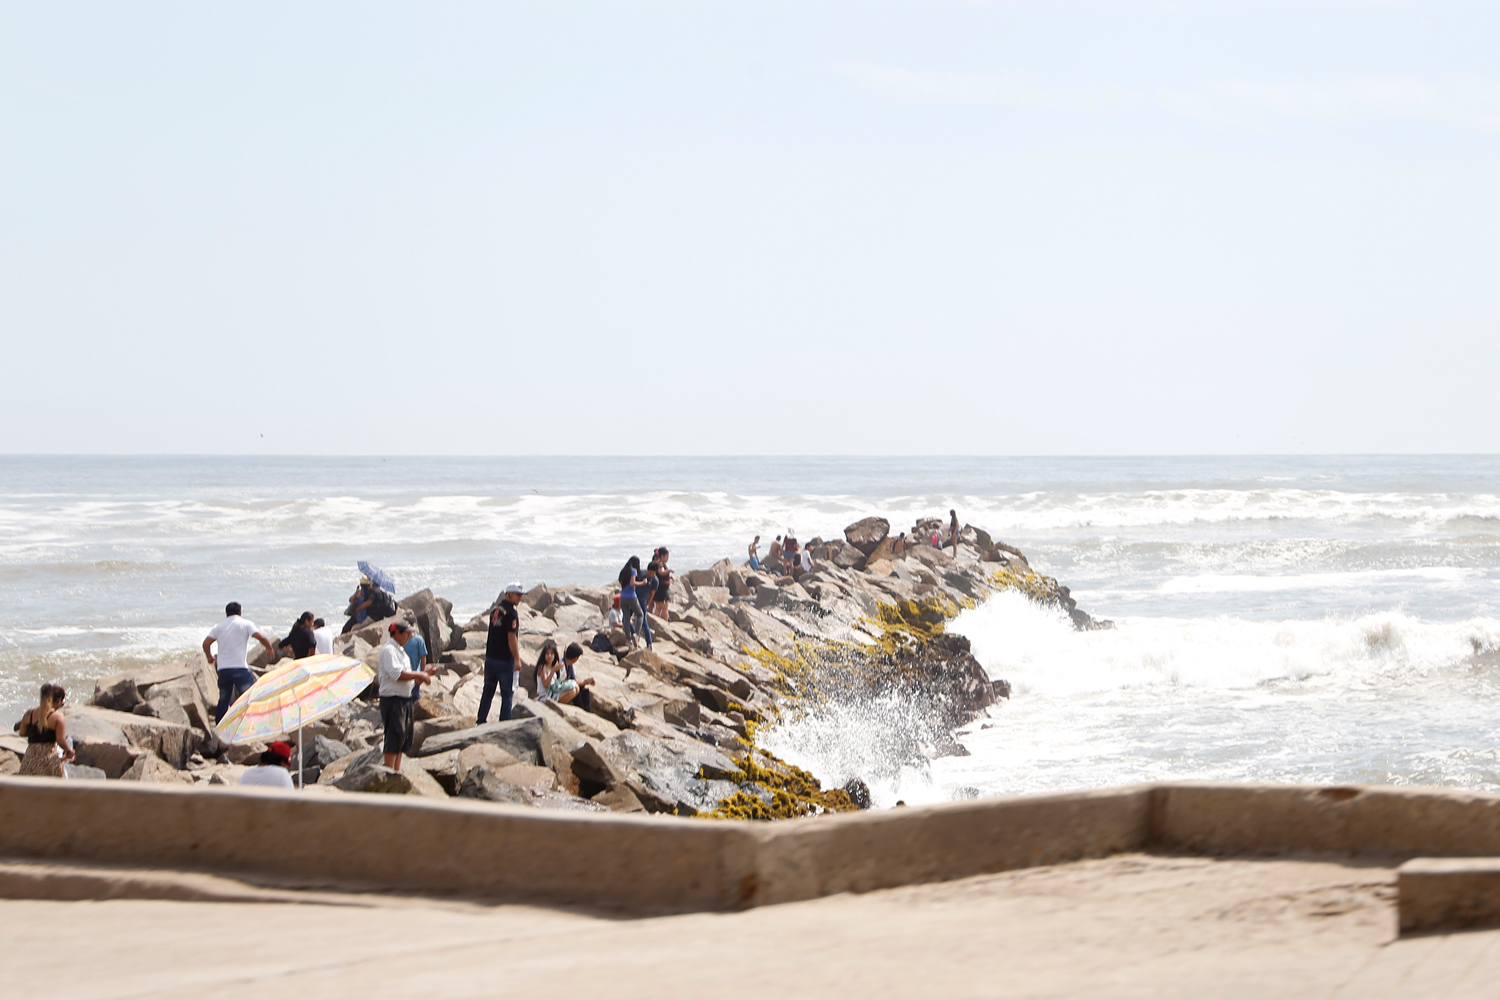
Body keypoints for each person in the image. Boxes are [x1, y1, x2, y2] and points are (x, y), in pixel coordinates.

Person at [204, 602, 275, 722]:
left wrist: (209, 657)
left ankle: (219, 726)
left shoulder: (219, 627)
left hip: (223, 669)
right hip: (239, 669)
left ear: (226, 613)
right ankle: (250, 723)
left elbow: (206, 643)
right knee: (248, 697)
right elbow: (261, 637)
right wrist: (269, 647)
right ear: (240, 612)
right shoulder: (245, 624)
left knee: (224, 698)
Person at [378, 621, 435, 770]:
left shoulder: (401, 651)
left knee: (403, 737)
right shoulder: (389, 650)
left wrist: (424, 674)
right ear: (397, 633)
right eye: (407, 633)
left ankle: (396, 769)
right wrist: (419, 674)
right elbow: (397, 674)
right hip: (393, 699)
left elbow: (409, 678)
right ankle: (390, 770)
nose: (409, 636)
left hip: (404, 698)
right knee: (394, 735)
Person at [477, 582, 523, 723]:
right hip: (504, 660)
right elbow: (511, 637)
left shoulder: (495, 610)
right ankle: (504, 724)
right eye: (518, 595)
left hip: (491, 657)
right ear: (509, 594)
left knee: (488, 691)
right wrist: (517, 658)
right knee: (507, 694)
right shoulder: (511, 613)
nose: (520, 599)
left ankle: (481, 720)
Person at [13, 683, 73, 777]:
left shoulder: (30, 713)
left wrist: (37, 734)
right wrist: (69, 751)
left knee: (28, 788)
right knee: (56, 789)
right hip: (48, 759)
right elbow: (60, 740)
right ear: (58, 700)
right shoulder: (58, 717)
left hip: (30, 758)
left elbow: (22, 733)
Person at [537, 640, 596, 707]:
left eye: (552, 654)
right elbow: (545, 684)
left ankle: (585, 709)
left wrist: (585, 682)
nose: (549, 656)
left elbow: (572, 679)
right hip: (546, 696)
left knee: (580, 688)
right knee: (575, 689)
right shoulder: (544, 667)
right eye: (547, 654)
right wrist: (553, 671)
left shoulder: (556, 666)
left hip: (553, 692)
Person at [617, 557, 652, 650]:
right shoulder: (633, 571)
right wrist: (642, 583)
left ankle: (628, 639)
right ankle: (636, 634)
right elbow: (632, 583)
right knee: (640, 615)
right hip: (631, 597)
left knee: (626, 619)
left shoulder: (624, 571)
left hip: (622, 597)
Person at [402, 618, 429, 709]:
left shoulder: (418, 640)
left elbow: (423, 657)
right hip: (403, 674)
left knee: (415, 696)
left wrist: (422, 672)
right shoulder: (401, 640)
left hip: (415, 673)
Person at [561, 642, 593, 712]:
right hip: (560, 690)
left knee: (584, 688)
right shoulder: (561, 665)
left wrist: (585, 682)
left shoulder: (569, 665)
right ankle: (581, 709)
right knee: (576, 688)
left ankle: (587, 710)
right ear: (576, 658)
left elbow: (573, 679)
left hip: (566, 687)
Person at [651, 548, 673, 618]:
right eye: (667, 556)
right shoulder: (660, 564)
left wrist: (669, 577)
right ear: (662, 556)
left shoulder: (658, 563)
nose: (667, 558)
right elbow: (661, 573)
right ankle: (665, 624)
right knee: (664, 608)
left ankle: (655, 623)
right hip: (662, 589)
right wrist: (669, 571)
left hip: (658, 588)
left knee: (658, 608)